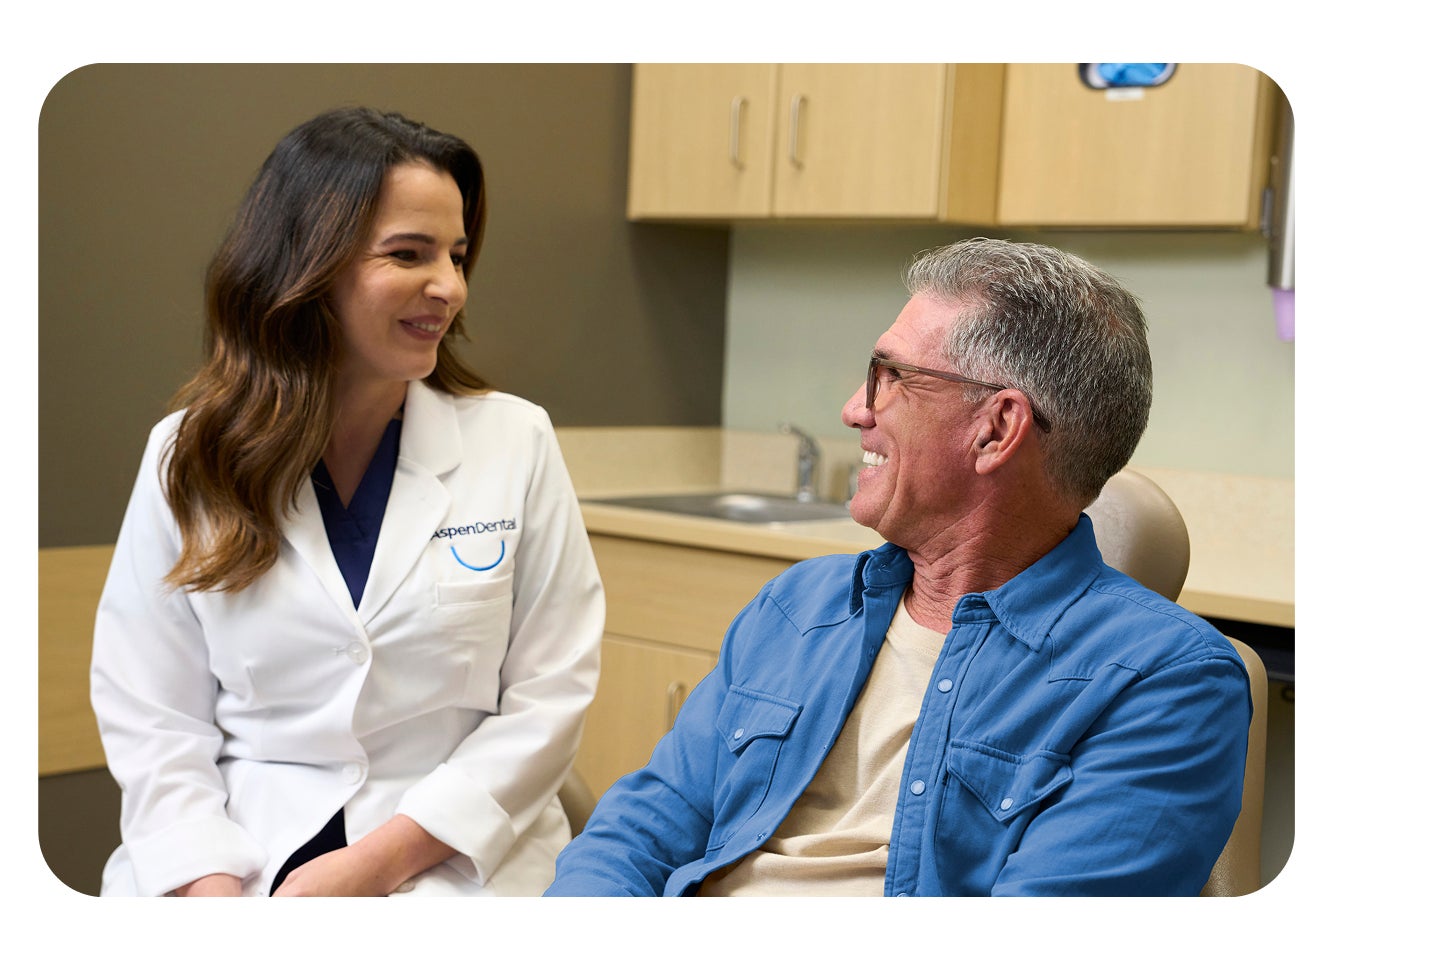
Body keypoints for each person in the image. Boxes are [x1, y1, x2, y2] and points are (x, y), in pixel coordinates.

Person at [545, 237, 1251, 897]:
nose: (855, 409)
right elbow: (638, 830)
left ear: (998, 429)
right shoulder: (797, 607)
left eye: (891, 378)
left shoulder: (1169, 683)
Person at [90, 107, 604, 897]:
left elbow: (549, 694)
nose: (450, 287)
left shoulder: (515, 440)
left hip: (445, 852)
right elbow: (153, 713)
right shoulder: (187, 455)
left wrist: (376, 863)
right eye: (409, 254)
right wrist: (209, 885)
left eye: (458, 256)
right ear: (307, 265)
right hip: (238, 841)